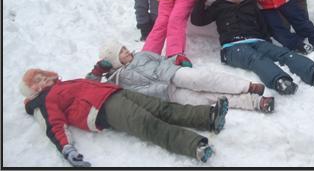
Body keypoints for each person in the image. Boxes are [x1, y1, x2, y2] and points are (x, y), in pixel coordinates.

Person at [19, 68, 230, 165]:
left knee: (162, 108)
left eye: (41, 76)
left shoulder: (62, 85)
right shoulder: (43, 103)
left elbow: (87, 85)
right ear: (32, 91)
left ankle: (209, 118)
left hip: (115, 92)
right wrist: (67, 149)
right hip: (104, 110)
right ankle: (194, 146)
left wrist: (98, 70)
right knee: (147, 124)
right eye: (36, 82)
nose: (42, 81)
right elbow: (53, 125)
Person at [191, 0, 314, 95]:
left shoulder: (250, 4)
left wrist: (267, 41)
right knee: (256, 59)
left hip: (257, 40)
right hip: (232, 47)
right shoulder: (219, 6)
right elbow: (197, 20)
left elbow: (262, 23)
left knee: (283, 53)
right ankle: (280, 81)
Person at [86, 41, 275, 113]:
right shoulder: (116, 80)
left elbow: (163, 59)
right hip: (167, 94)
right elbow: (88, 88)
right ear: (113, 59)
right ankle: (256, 103)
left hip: (174, 74)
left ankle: (247, 86)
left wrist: (177, 58)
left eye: (125, 48)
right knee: (206, 99)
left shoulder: (142, 55)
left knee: (206, 79)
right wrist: (97, 71)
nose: (127, 51)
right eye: (122, 52)